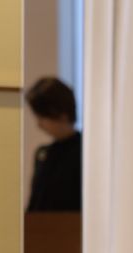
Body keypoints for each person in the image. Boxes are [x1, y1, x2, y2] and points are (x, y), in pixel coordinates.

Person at [25, 77, 82, 212]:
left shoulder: (84, 151)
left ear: (61, 114)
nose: (39, 124)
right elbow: (35, 203)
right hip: (41, 225)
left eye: (42, 117)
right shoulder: (43, 153)